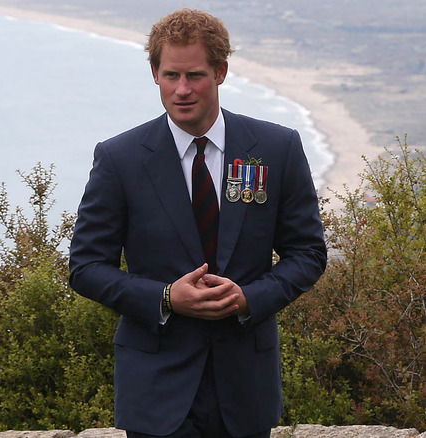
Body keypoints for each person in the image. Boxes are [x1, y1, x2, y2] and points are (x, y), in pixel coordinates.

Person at [68, 9, 327, 438]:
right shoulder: (121, 159)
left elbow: (308, 253)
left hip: (246, 389)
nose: (182, 90)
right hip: (155, 393)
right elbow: (85, 268)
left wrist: (249, 298)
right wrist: (167, 297)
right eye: (170, 75)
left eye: (195, 75)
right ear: (154, 73)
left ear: (221, 71)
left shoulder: (277, 148)